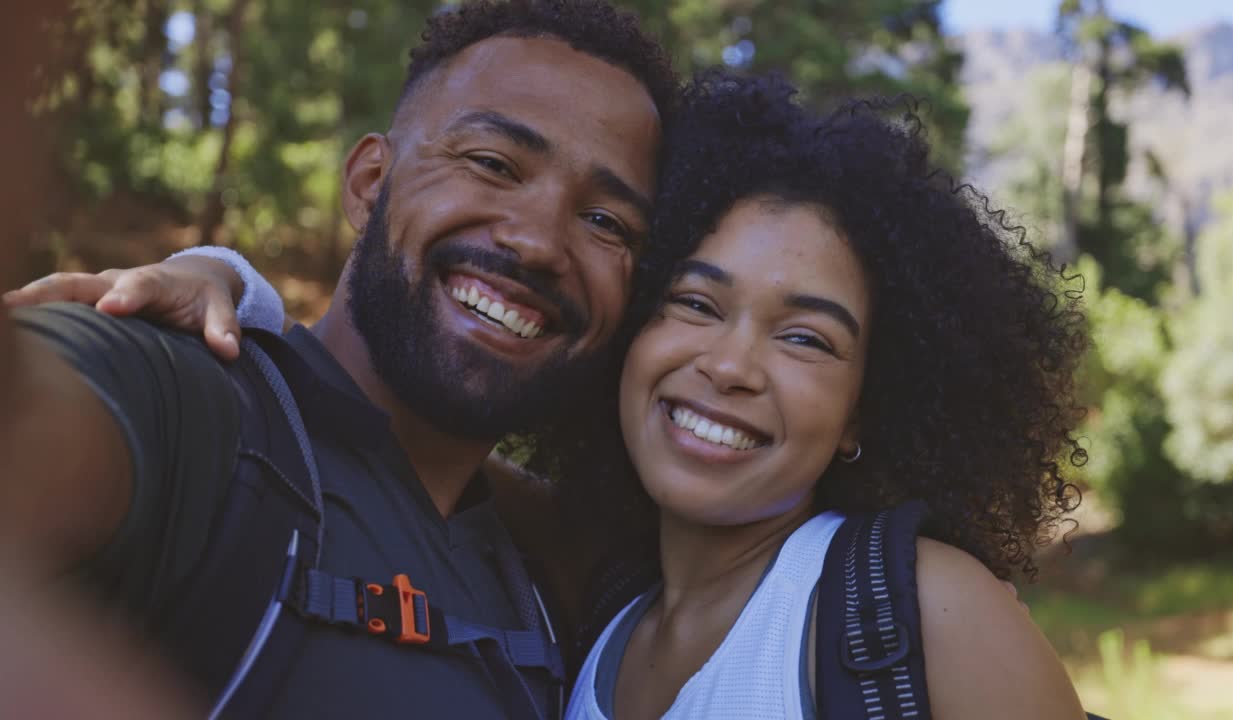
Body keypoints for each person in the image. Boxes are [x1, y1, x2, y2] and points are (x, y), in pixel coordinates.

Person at [14, 73, 1094, 718]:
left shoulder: (919, 613)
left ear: (864, 408)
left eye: (806, 336)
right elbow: (397, 441)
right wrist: (231, 290)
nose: (730, 364)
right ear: (628, 338)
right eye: (694, 303)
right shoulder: (583, 599)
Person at [0, 1, 679, 718]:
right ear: (368, 182)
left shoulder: (561, 578)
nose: (540, 243)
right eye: (493, 163)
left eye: (606, 221)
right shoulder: (188, 404)